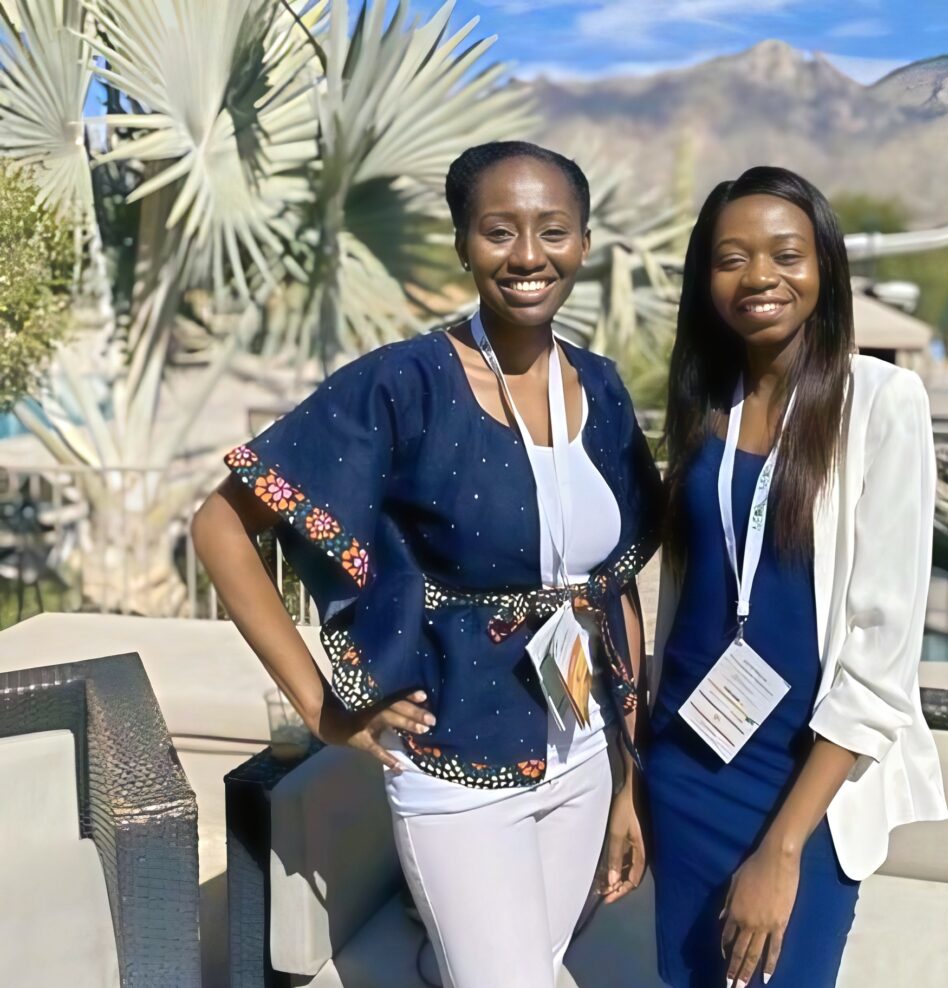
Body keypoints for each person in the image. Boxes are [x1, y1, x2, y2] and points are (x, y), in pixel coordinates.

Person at [192, 141, 661, 988]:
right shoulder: (403, 384)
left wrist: (630, 778)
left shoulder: (600, 387)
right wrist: (323, 709)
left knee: (534, 964)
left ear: (585, 244)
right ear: (463, 244)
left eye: (553, 230)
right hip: (455, 757)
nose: (528, 255)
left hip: (585, 744)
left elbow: (613, 586)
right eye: (499, 231)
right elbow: (222, 526)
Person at [645, 167, 948, 988]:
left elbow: (882, 655)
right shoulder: (705, 398)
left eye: (786, 254)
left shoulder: (883, 402)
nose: (760, 277)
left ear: (824, 267)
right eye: (731, 258)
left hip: (802, 789)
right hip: (685, 764)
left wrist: (782, 849)